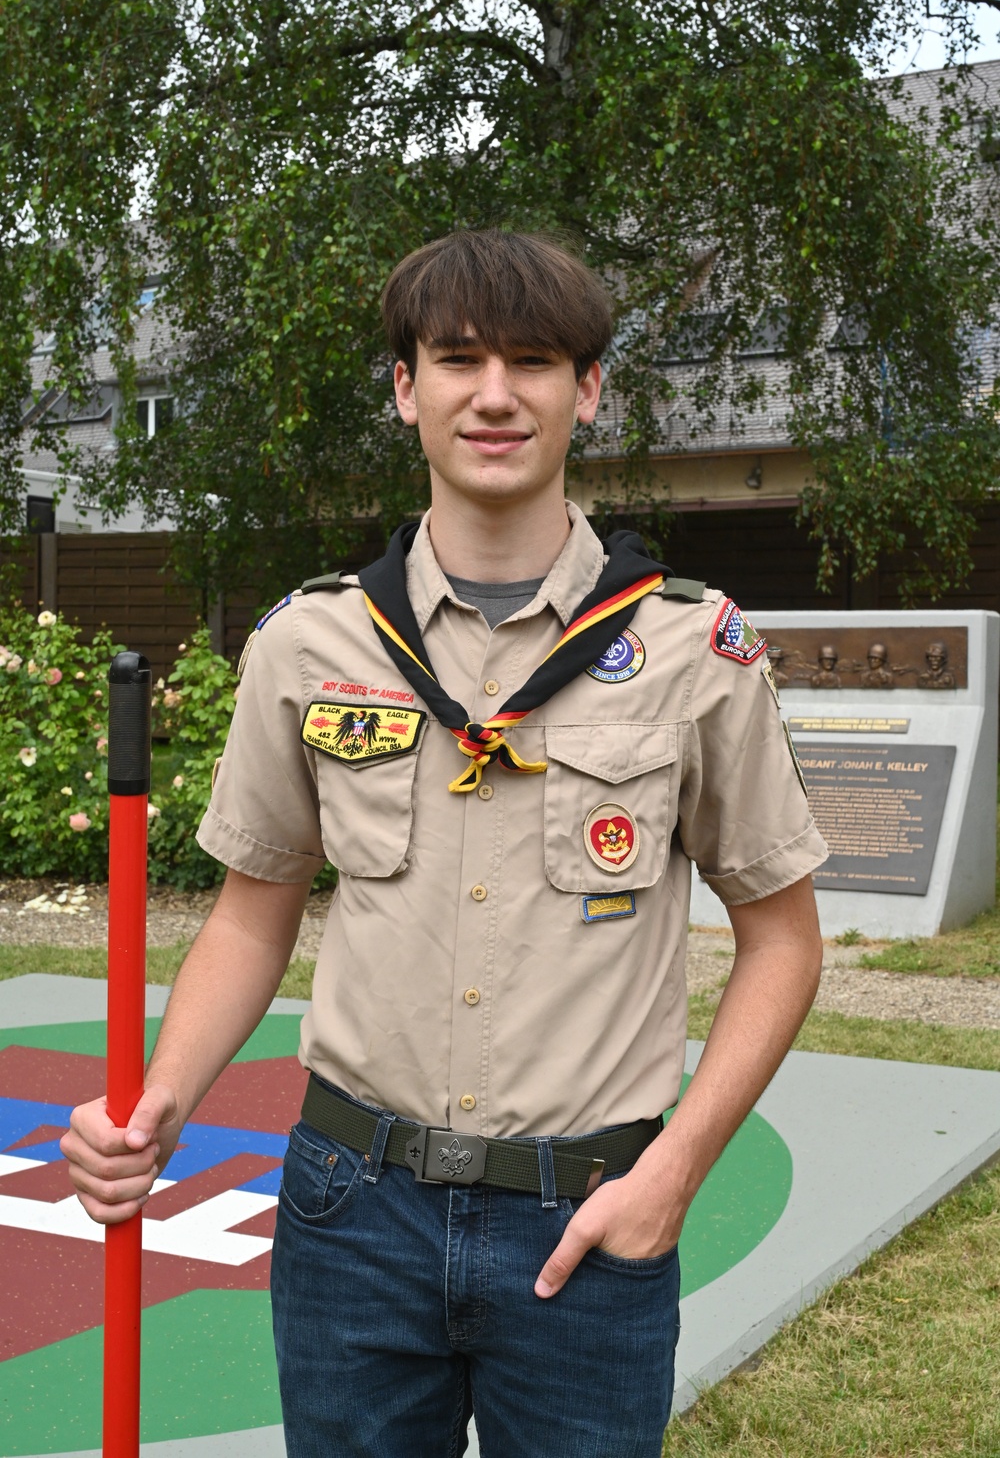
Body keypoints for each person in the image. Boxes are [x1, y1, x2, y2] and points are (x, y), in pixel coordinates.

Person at [61, 229, 827, 1457]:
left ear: (586, 390)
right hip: (350, 1212)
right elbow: (254, 914)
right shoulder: (310, 644)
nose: (493, 393)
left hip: (589, 1216)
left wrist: (673, 1174)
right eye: (456, 358)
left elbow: (782, 941)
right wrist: (154, 1110)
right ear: (406, 389)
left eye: (532, 361)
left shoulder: (693, 649)